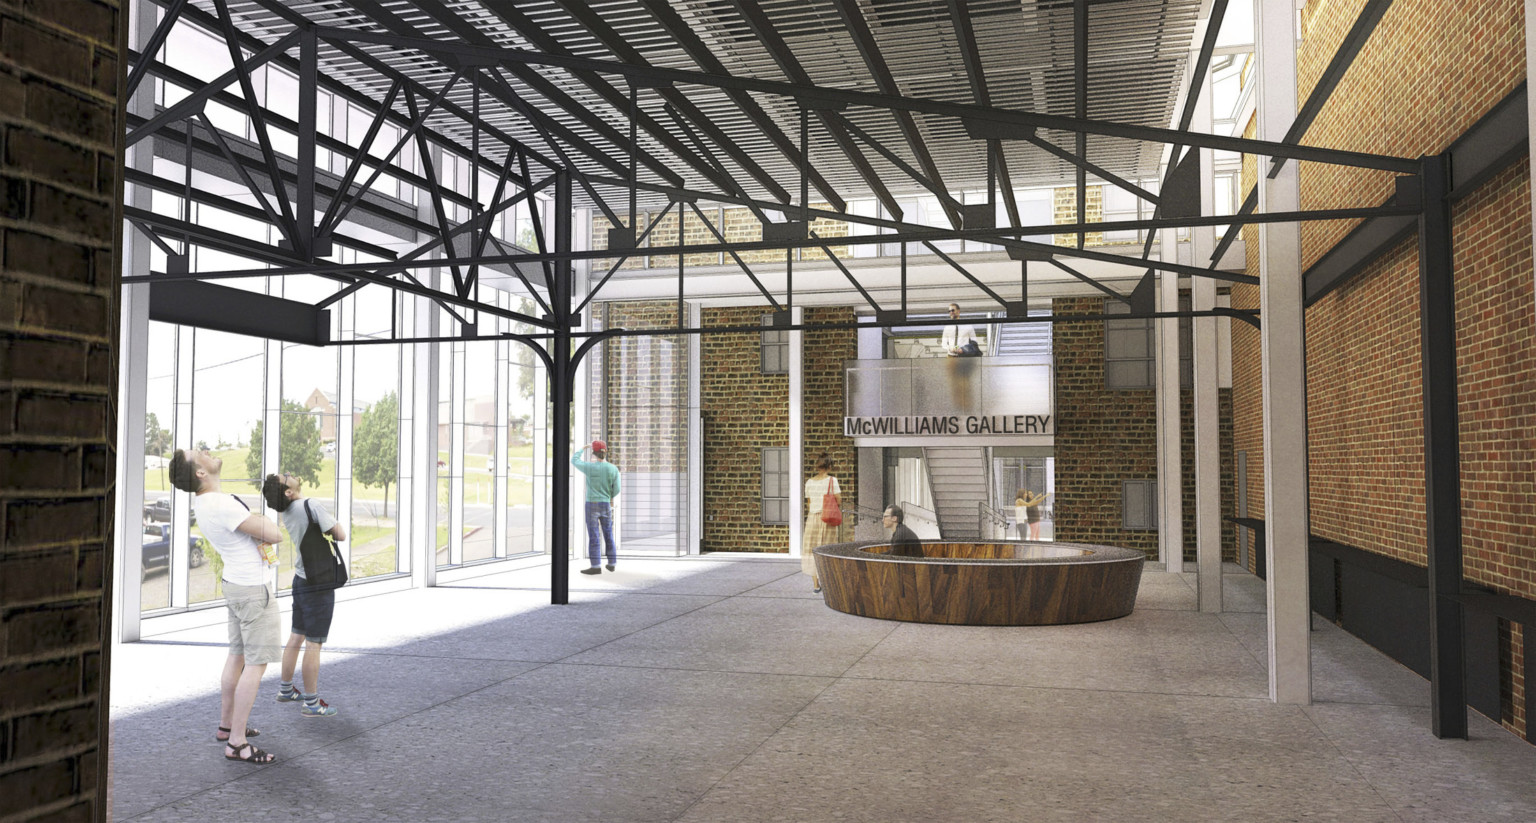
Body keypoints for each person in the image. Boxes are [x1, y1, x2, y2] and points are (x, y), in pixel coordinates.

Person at [168, 448, 284, 764]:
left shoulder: (204, 503)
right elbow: (274, 534)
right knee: (256, 663)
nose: (207, 451)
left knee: (238, 655)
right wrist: (259, 517)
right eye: (200, 453)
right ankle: (236, 742)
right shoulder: (221, 504)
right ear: (200, 473)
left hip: (236, 585)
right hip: (251, 590)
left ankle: (226, 725)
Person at [262, 473, 347, 718]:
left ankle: (286, 689)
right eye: (286, 477)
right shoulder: (310, 505)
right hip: (318, 584)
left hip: (300, 580)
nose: (290, 474)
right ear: (288, 492)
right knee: (314, 643)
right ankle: (312, 703)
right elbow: (340, 534)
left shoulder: (287, 511)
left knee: (296, 636)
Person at [572, 439, 620, 574]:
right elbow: (617, 489)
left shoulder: (589, 467)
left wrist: (582, 448)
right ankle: (612, 563)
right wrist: (608, 496)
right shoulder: (613, 468)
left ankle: (596, 566)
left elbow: (574, 460)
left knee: (594, 536)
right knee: (608, 534)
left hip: (591, 504)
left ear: (593, 453)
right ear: (606, 452)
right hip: (605, 504)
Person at [802, 452, 841, 593]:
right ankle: (828, 583)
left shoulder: (809, 482)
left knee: (813, 551)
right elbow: (838, 500)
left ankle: (815, 585)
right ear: (829, 465)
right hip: (827, 519)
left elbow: (809, 503)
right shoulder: (832, 480)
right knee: (827, 550)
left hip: (812, 519)